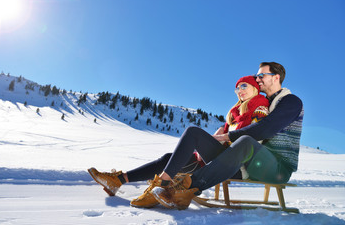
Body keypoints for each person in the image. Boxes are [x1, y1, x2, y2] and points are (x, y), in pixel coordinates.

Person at [88, 75, 269, 209]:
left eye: (244, 86)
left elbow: (255, 136)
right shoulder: (236, 113)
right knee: (170, 157)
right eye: (237, 88)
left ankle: (162, 185)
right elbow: (223, 134)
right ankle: (118, 180)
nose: (239, 90)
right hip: (222, 157)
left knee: (193, 132)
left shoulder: (260, 106)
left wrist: (221, 138)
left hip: (237, 164)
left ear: (255, 88)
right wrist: (217, 135)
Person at [150, 62, 304, 210]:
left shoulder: (291, 102)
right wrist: (222, 131)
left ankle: (187, 188)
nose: (257, 80)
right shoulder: (263, 103)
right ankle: (162, 182)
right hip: (247, 163)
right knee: (194, 132)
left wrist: (227, 136)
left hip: (277, 169)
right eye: (257, 77)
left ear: (276, 77)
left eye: (261, 76)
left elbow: (266, 128)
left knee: (245, 142)